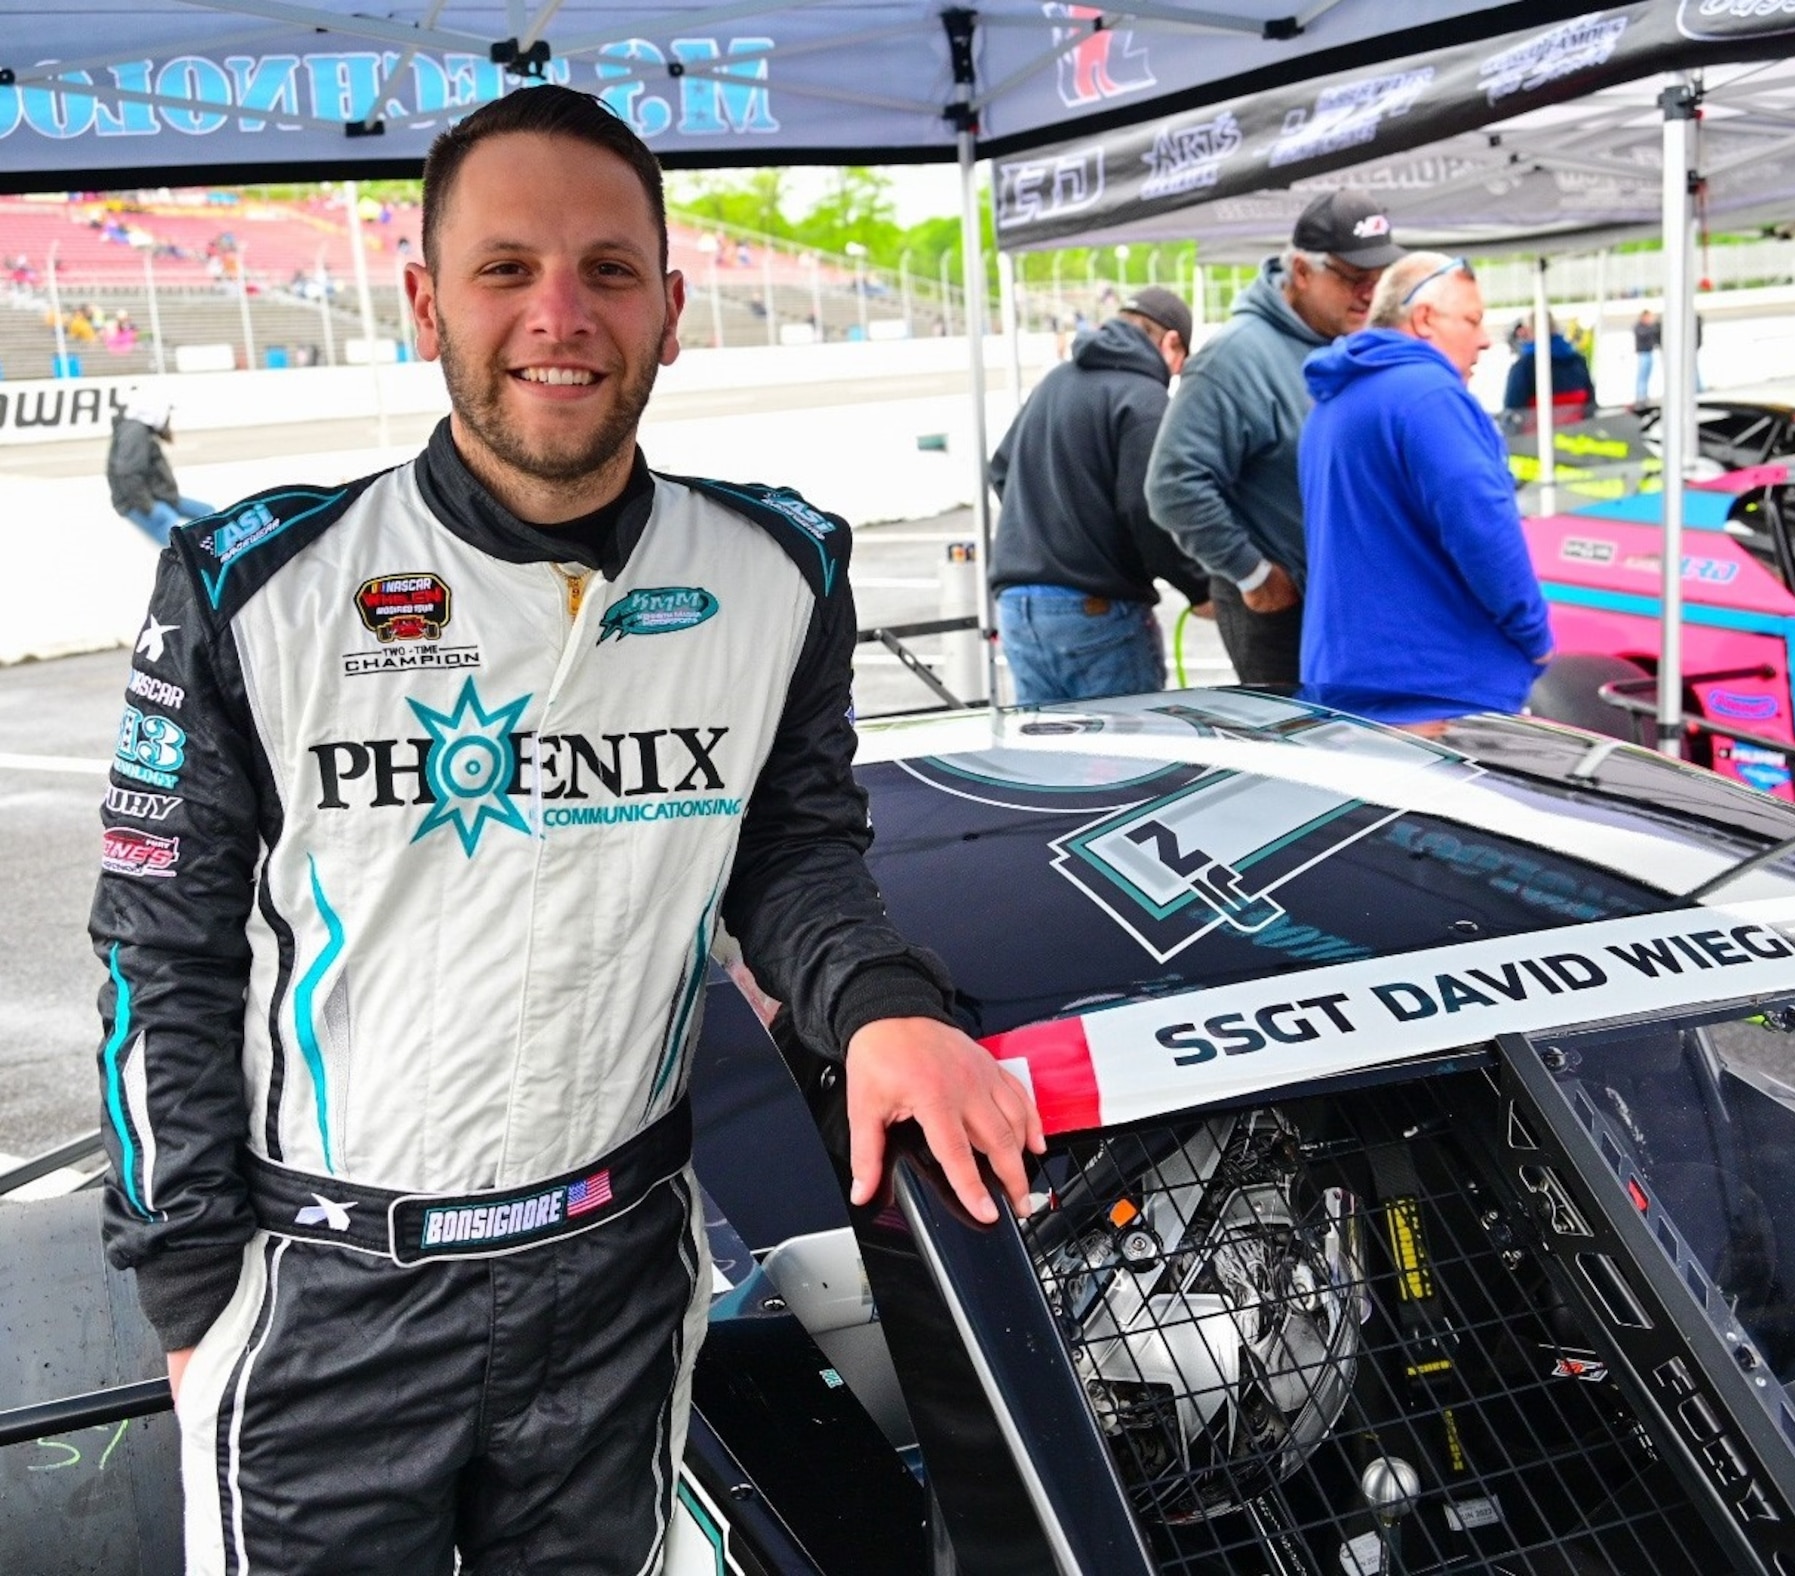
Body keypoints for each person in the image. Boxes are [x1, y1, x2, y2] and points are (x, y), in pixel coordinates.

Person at [89, 84, 1042, 1576]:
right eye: (506, 268)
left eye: (607, 271)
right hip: (325, 1293)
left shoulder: (778, 570)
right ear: (425, 302)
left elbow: (792, 859)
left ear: (669, 308)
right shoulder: (250, 588)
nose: (560, 313)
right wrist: (189, 1292)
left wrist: (886, 1012)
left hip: (616, 1279)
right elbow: (162, 958)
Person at [1145, 191, 1402, 689]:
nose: (1370, 293)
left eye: (1379, 278)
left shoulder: (1349, 342)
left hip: (1347, 610)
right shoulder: (1235, 358)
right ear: (1301, 272)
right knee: (1306, 756)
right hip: (1285, 619)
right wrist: (1255, 576)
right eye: (1353, 278)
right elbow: (1173, 484)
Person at [1295, 252, 1554, 723]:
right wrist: (1535, 636)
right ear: (1425, 319)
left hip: (1349, 682)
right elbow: (1482, 525)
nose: (1484, 341)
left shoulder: (1332, 402)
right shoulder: (1429, 395)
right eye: (1473, 321)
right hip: (1437, 694)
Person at [988, 287, 1211, 703]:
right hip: (1098, 613)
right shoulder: (1144, 398)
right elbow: (1148, 507)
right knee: (1127, 760)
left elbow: (1001, 468)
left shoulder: (1055, 381)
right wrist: (1199, 589)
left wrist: (1052, 528)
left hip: (1019, 609)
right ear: (1171, 343)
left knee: (1043, 762)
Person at [106, 398, 214, 544]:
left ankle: (208, 555)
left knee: (207, 513)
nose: (168, 418)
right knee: (170, 525)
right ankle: (187, 562)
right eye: (166, 414)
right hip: (136, 502)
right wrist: (149, 507)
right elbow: (128, 473)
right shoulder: (135, 432)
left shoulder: (141, 430)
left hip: (160, 496)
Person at [1500, 324, 1596, 422]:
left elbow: (1511, 413)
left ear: (1526, 332)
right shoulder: (1578, 362)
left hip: (1536, 434)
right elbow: (1591, 406)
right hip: (1578, 432)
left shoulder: (1523, 367)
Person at [1633, 309, 1660, 403]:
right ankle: (1641, 397)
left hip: (1649, 353)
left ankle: (1644, 395)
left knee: (1646, 376)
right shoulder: (1639, 327)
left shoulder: (1648, 328)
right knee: (1642, 377)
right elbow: (1644, 334)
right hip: (1643, 354)